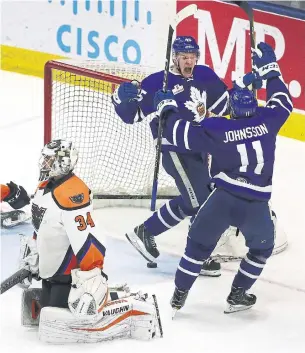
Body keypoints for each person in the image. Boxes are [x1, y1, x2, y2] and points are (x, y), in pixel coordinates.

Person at [154, 42, 293, 314]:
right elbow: (283, 101)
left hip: (222, 199)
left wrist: (166, 109)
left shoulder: (219, 128)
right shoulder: (268, 120)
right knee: (261, 249)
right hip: (256, 204)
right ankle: (238, 294)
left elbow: (179, 134)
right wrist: (272, 73)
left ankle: (179, 294)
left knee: (197, 246)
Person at [18, 139, 160, 343]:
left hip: (67, 274)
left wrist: (91, 278)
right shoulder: (43, 187)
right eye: (45, 158)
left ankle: (129, 306)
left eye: (49, 160)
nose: (44, 163)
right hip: (51, 271)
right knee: (45, 313)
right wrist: (34, 254)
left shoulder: (73, 193)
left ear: (63, 162)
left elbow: (88, 239)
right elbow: (42, 228)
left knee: (59, 321)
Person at [112, 36, 230, 276]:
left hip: (201, 148)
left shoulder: (205, 75)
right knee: (202, 201)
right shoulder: (159, 82)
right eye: (184, 57)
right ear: (174, 58)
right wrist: (119, 98)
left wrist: (245, 89)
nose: (189, 61)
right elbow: (131, 115)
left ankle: (145, 232)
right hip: (174, 150)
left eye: (193, 57)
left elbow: (226, 105)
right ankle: (198, 256)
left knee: (193, 200)